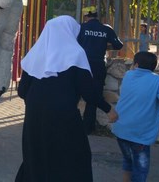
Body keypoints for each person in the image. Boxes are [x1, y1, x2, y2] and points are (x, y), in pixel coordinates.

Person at [15, 15, 118, 182]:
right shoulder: (75, 53)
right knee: (72, 155)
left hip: (35, 115)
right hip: (64, 115)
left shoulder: (36, 53)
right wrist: (108, 109)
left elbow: (22, 91)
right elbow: (89, 92)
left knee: (37, 153)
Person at [112, 51, 159, 182]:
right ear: (154, 67)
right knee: (140, 170)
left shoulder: (128, 75)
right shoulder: (158, 80)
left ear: (136, 64)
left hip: (121, 129)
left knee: (128, 162)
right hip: (140, 134)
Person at [77, 5, 124, 134]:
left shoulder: (81, 27)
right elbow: (118, 45)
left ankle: (72, 125)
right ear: (97, 15)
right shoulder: (106, 29)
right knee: (94, 96)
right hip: (98, 66)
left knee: (75, 94)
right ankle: (88, 128)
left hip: (82, 65)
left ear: (86, 16)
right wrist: (104, 45)